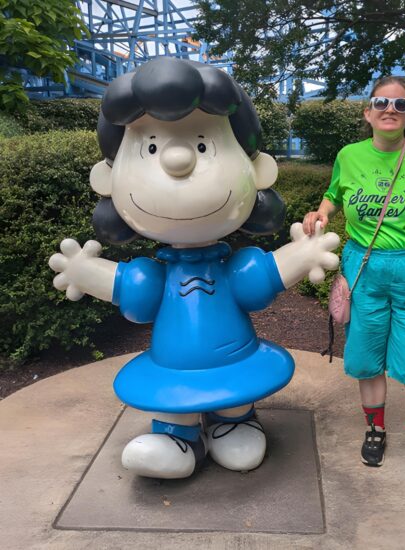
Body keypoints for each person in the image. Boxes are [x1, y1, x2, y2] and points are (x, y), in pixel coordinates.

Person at [49, 57, 339, 480]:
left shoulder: (232, 269)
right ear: (108, 180)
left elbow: (258, 279)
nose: (179, 157)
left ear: (256, 170)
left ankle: (234, 422)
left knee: (235, 398)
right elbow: (136, 291)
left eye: (203, 144)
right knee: (172, 402)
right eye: (151, 146)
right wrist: (85, 273)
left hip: (235, 361)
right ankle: (176, 438)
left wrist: (302, 256)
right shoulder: (156, 275)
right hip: (173, 368)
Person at [303, 76, 405, 498]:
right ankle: (376, 430)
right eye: (380, 101)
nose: (389, 109)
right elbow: (333, 194)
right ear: (367, 111)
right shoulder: (349, 155)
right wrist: (318, 214)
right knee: (367, 357)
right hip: (363, 269)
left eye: (400, 103)